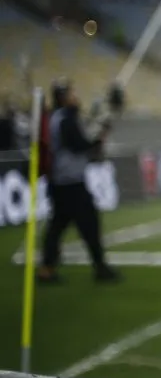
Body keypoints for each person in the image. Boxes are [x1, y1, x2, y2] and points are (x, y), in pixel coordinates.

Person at [37, 79, 120, 284]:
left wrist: (98, 131)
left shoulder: (58, 118)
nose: (76, 97)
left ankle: (48, 268)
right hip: (70, 182)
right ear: (64, 97)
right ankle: (100, 268)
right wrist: (98, 139)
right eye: (72, 93)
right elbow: (79, 145)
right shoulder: (64, 119)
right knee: (88, 224)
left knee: (58, 225)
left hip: (62, 181)